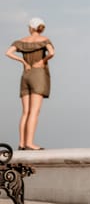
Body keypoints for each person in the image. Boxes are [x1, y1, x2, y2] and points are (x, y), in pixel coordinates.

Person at [5, 17, 55, 150]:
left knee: (25, 112)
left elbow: (8, 52)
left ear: (31, 27)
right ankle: (30, 143)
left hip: (25, 74)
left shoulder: (22, 41)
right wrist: (42, 61)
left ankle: (22, 143)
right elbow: (52, 52)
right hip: (38, 75)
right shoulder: (44, 40)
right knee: (34, 111)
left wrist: (24, 62)